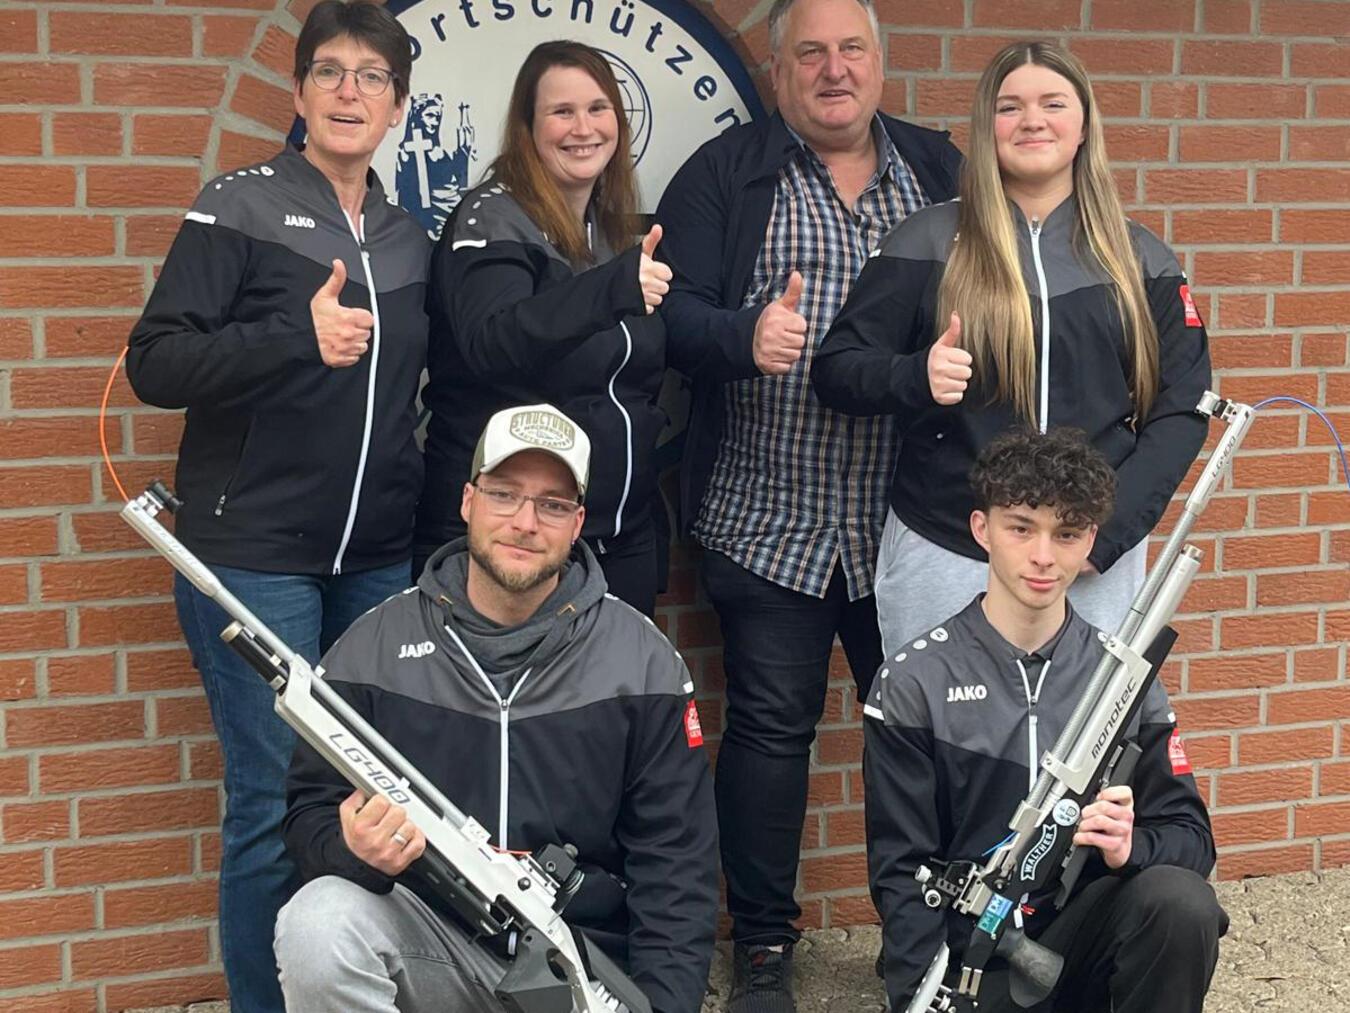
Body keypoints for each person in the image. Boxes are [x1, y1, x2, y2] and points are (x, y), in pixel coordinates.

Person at [654, 0, 960, 1007]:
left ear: (882, 64)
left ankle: (926, 938)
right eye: (811, 53)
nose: (834, 70)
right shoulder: (726, 173)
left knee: (918, 738)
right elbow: (673, 316)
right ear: (779, 72)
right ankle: (765, 950)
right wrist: (741, 335)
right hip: (768, 515)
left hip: (910, 522)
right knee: (770, 737)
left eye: (853, 50)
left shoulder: (940, 170)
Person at [124, 2, 428, 1007]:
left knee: (367, 802)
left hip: (376, 561)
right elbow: (155, 363)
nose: (350, 92)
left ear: (398, 105)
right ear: (298, 94)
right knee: (267, 803)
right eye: (331, 73)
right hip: (255, 557)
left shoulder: (407, 234)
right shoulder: (238, 203)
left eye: (371, 77)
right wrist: (291, 338)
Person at [274, 404, 719, 1013]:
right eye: (504, 494)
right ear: (467, 501)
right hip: (432, 945)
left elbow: (678, 864)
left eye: (553, 504)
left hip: (580, 963)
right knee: (319, 922)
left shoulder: (643, 662)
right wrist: (352, 851)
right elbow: (309, 815)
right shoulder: (372, 647)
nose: (525, 522)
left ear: (578, 521)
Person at [812, 41, 1212, 664]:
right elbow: (837, 369)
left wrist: (1103, 532)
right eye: (1010, 106)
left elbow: (1182, 406)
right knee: (941, 746)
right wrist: (913, 375)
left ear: (1083, 125)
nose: (1032, 120)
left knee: (1077, 752)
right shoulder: (926, 241)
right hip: (949, 546)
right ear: (986, 125)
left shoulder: (1141, 260)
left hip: (1091, 562)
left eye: (1053, 103)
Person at [865, 428, 1226, 1013]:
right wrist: (919, 997)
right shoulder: (913, 682)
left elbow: (1193, 842)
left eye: (1066, 533)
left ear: (1090, 541)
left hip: (1080, 953)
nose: (1042, 556)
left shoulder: (1125, 681)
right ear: (982, 530)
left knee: (1180, 903)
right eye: (1021, 528)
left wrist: (1130, 847)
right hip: (972, 964)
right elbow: (902, 875)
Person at [415, 40, 671, 617]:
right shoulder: (492, 217)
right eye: (562, 112)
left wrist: (746, 338)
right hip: (510, 543)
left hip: (613, 536)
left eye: (599, 108)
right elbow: (493, 340)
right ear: (528, 127)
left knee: (611, 706)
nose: (583, 127)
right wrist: (611, 290)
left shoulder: (608, 232)